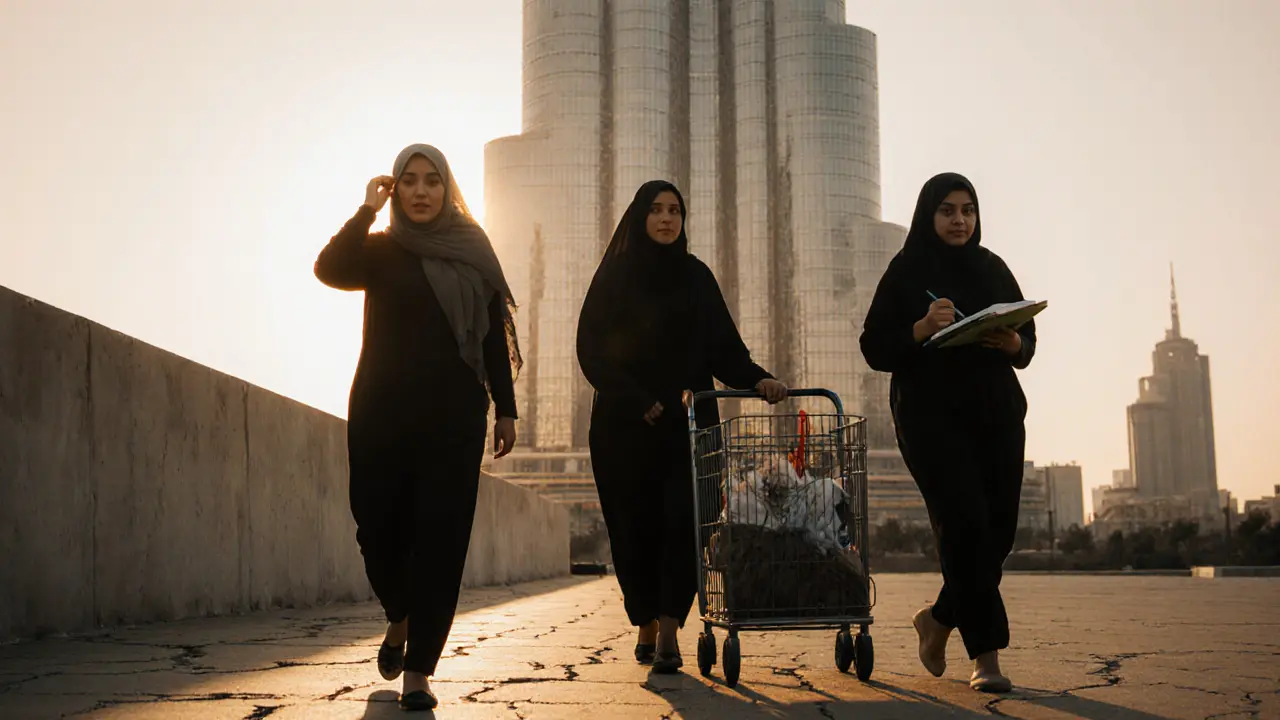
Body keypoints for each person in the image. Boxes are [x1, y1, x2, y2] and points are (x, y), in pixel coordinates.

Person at [314, 143, 521, 711]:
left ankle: (421, 671)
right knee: (375, 527)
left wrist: (505, 407)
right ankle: (399, 615)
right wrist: (365, 211)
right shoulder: (380, 250)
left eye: (433, 180)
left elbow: (489, 337)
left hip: (453, 416)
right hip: (381, 410)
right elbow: (328, 269)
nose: (422, 190)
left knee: (442, 541)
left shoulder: (472, 252)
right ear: (396, 189)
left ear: (447, 188)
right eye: (410, 180)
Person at [577, 180, 789, 674]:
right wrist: (635, 399)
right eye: (656, 210)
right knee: (633, 529)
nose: (667, 219)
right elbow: (591, 348)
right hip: (622, 429)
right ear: (639, 217)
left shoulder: (696, 277)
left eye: (675, 210)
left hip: (688, 427)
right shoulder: (614, 276)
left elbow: (724, 349)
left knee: (686, 523)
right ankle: (645, 621)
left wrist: (760, 379)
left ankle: (670, 629)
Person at [858, 172, 1035, 694]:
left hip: (997, 415)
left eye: (968, 211)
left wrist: (1011, 343)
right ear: (927, 216)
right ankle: (986, 655)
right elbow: (874, 346)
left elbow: (1028, 342)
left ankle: (937, 619)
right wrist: (920, 328)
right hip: (930, 418)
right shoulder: (906, 270)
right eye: (948, 211)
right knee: (964, 526)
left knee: (997, 531)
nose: (960, 221)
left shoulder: (992, 267)